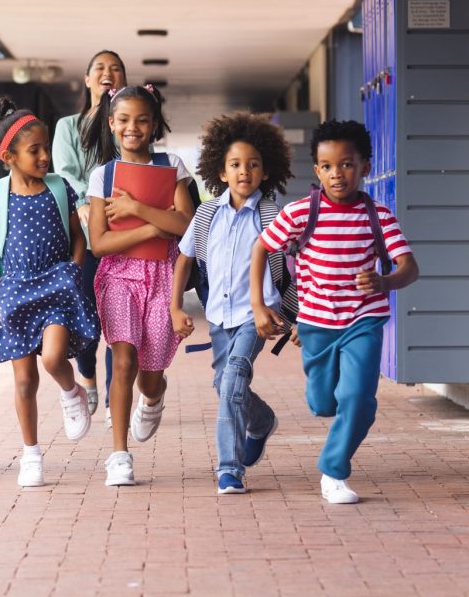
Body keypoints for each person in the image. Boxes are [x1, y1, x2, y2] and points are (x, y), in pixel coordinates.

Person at [251, 119, 419, 504]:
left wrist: (385, 282)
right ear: (316, 171)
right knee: (324, 402)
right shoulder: (301, 212)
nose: (336, 174)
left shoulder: (378, 216)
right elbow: (262, 248)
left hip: (364, 320)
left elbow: (410, 267)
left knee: (358, 399)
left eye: (346, 164)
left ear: (365, 167)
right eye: (327, 166)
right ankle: (333, 404)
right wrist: (259, 304)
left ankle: (334, 470)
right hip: (316, 324)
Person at [0, 98, 100, 488]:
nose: (44, 157)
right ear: (9, 155)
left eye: (45, 149)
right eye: (34, 150)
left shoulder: (59, 189)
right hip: (16, 293)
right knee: (24, 382)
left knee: (55, 357)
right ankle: (31, 454)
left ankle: (71, 390)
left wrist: (74, 267)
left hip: (56, 289)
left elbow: (77, 236)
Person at [170, 112, 293, 494]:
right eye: (236, 164)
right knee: (223, 383)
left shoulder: (274, 216)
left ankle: (229, 469)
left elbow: (298, 265)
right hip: (219, 316)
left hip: (256, 316)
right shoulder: (207, 214)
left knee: (236, 374)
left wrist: (294, 315)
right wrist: (176, 307)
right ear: (221, 172)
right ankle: (261, 420)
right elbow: (185, 258)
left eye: (253, 165)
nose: (244, 171)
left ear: (265, 171)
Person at [87, 85, 194, 487]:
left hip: (162, 277)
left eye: (142, 120)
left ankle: (153, 396)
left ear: (154, 125)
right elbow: (100, 243)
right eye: (125, 120)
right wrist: (155, 224)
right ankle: (119, 456)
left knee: (149, 373)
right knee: (123, 359)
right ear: (112, 125)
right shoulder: (104, 176)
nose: (133, 128)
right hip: (118, 277)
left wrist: (135, 209)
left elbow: (186, 226)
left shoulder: (173, 167)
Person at [52, 50, 126, 420]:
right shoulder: (68, 126)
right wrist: (85, 200)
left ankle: (116, 396)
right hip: (81, 233)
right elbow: (65, 172)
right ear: (87, 79)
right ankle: (88, 376)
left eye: (115, 69)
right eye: (100, 68)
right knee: (85, 312)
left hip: (121, 232)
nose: (107, 73)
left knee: (117, 316)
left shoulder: (126, 127)